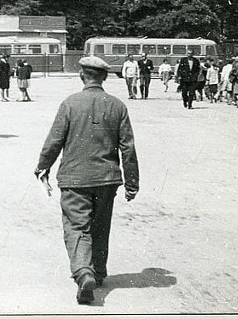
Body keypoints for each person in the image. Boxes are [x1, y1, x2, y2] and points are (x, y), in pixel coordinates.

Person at [34, 56, 139, 305]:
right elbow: (128, 148)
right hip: (107, 179)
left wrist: (42, 166)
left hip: (74, 178)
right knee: (101, 225)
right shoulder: (117, 106)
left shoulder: (70, 103)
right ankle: (98, 273)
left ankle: (84, 272)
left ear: (82, 76)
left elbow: (54, 140)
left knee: (77, 227)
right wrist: (132, 182)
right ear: (104, 78)